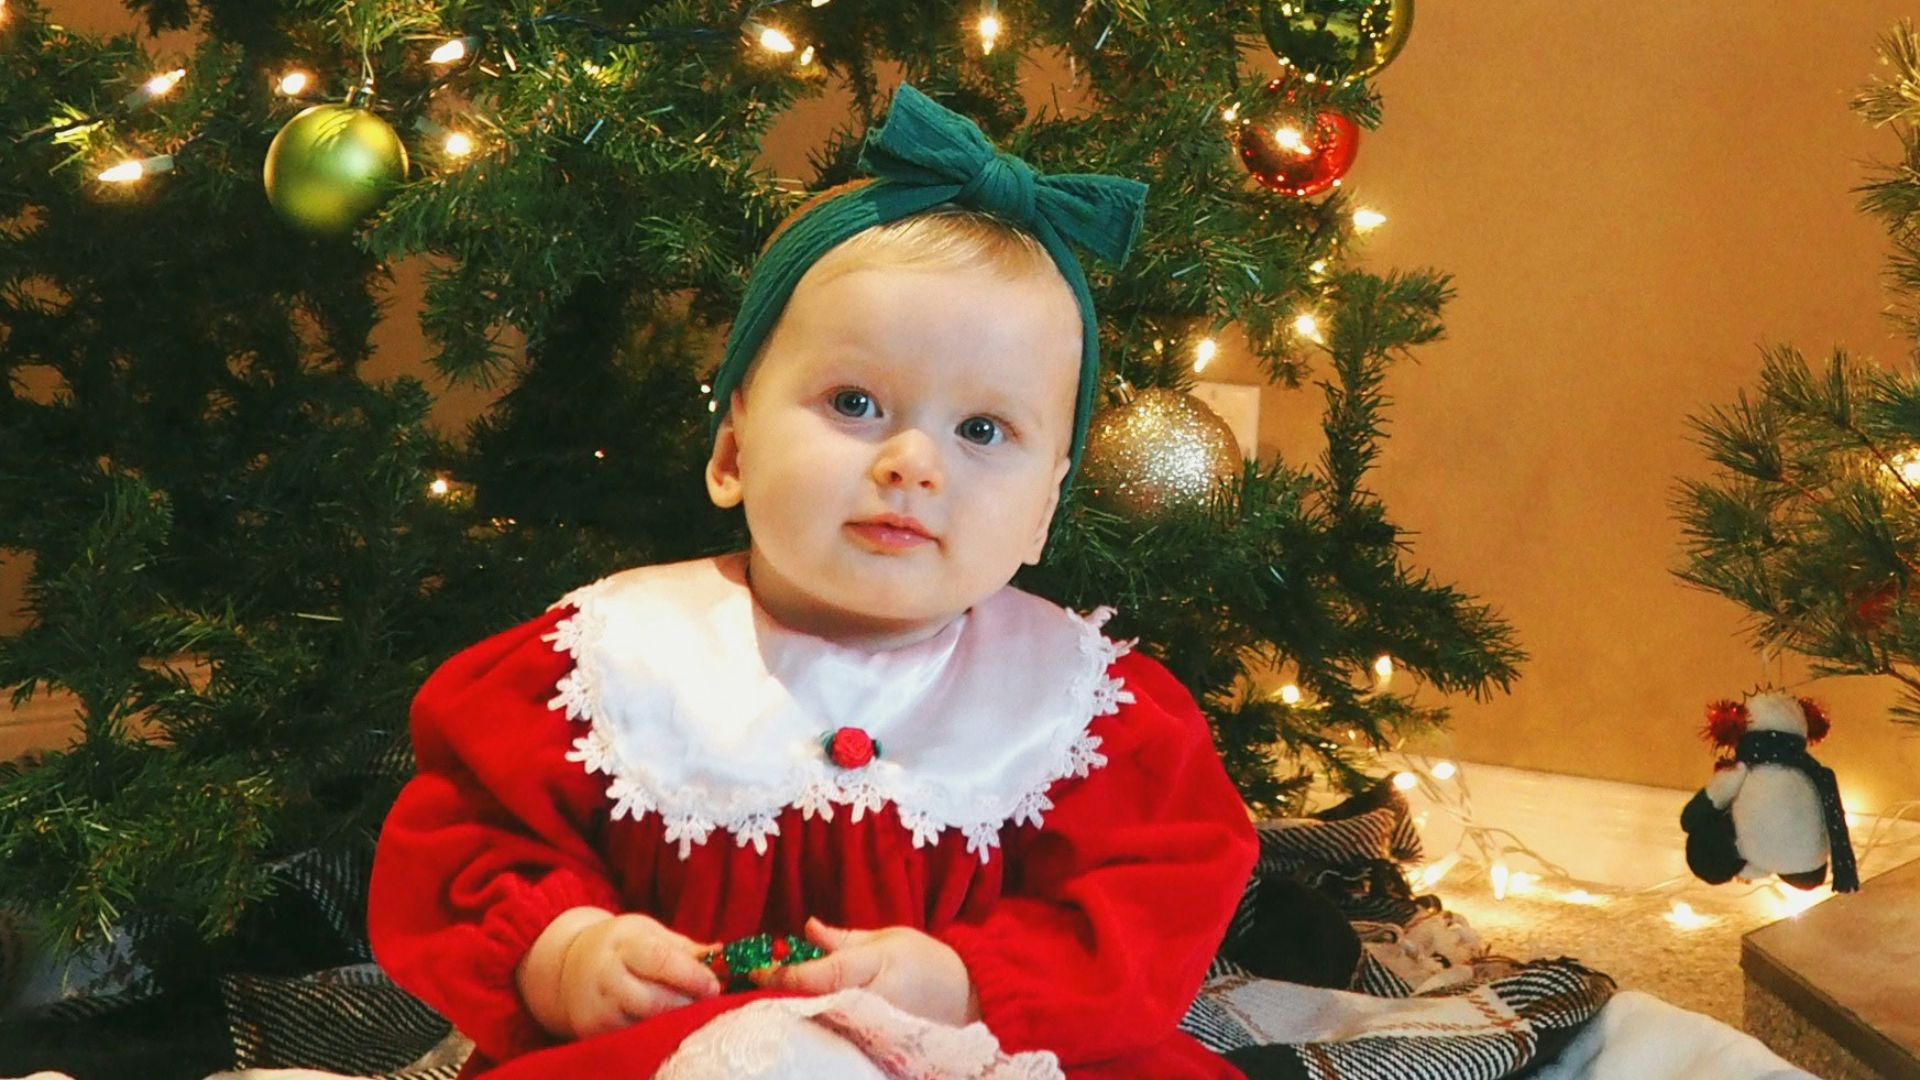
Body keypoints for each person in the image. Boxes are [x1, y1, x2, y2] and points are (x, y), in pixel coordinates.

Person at [368, 83, 1258, 1080]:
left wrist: (968, 980)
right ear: (734, 445)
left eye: (982, 430)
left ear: (1046, 504)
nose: (914, 463)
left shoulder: (1081, 712)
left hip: (975, 1054)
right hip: (675, 1055)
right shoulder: (614, 665)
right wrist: (567, 951)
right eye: (855, 401)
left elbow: (1146, 909)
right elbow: (467, 850)